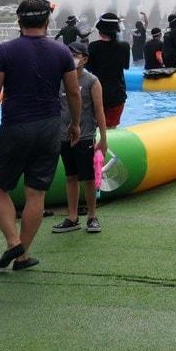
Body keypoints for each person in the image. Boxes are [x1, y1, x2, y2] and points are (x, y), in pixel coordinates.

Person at [0, 0, 81, 272]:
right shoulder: (61, 52)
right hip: (49, 127)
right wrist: (76, 124)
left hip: (16, 126)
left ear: (19, 21)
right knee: (36, 194)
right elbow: (73, 92)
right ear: (47, 21)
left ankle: (13, 242)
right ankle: (22, 255)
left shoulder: (6, 51)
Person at [51, 42, 107, 235]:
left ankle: (92, 216)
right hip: (64, 137)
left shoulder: (91, 81)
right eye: (68, 54)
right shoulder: (60, 79)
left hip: (85, 137)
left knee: (89, 178)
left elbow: (99, 111)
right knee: (70, 177)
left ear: (84, 58)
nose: (71, 57)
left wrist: (103, 139)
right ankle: (72, 217)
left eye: (74, 54)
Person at [86, 12, 129, 127]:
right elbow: (125, 66)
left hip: (96, 94)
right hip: (117, 94)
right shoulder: (124, 46)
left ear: (100, 30)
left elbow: (88, 68)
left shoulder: (93, 47)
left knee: (95, 129)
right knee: (111, 130)